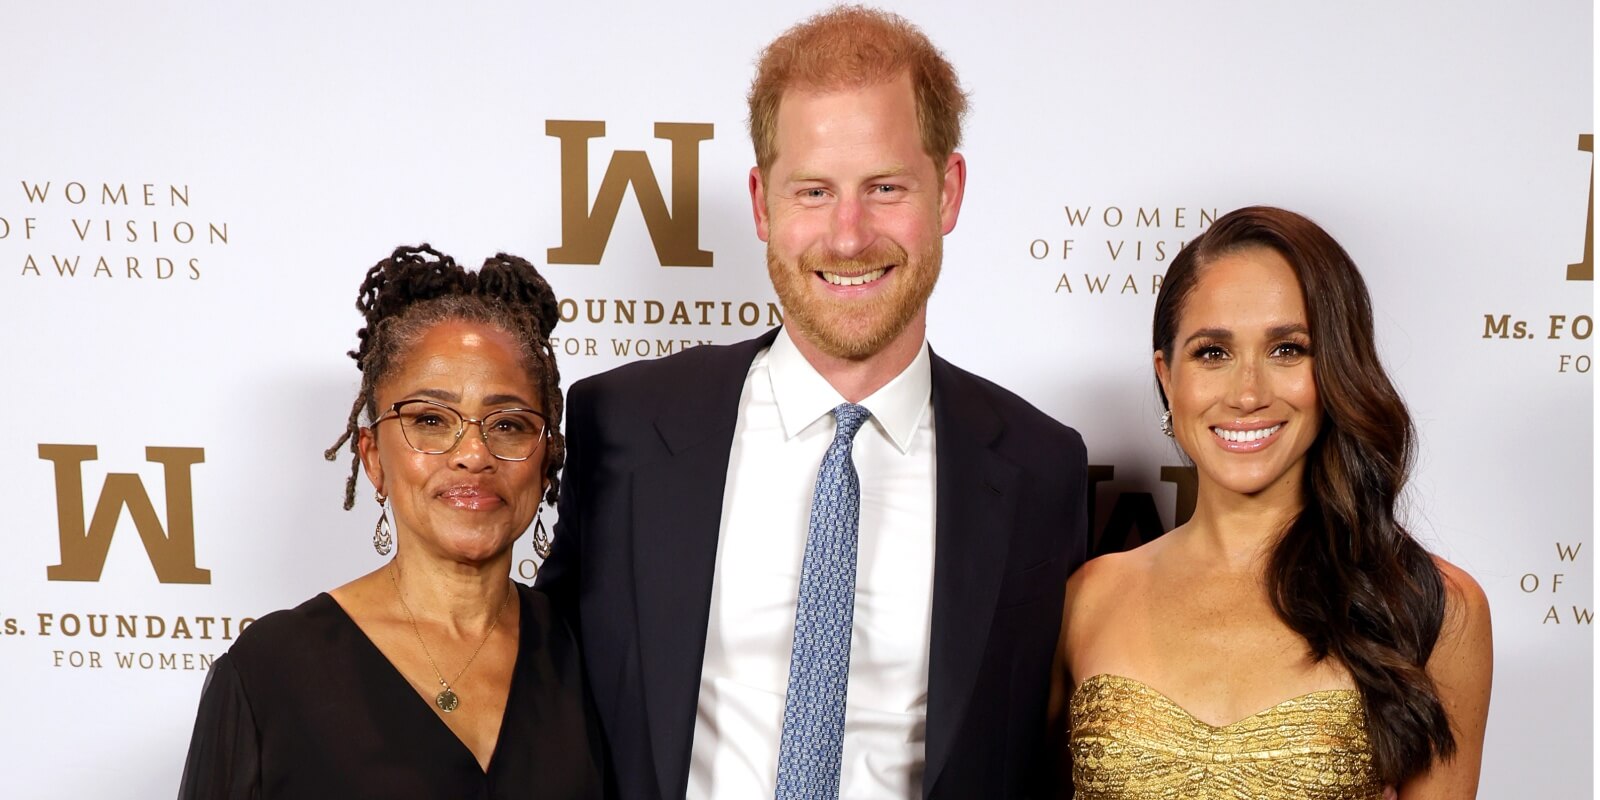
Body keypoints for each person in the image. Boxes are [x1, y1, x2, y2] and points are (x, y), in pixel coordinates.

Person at [536, 6, 1088, 799]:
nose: (850, 234)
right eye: (814, 191)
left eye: (886, 187)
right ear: (762, 204)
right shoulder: (622, 426)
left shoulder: (1041, 468)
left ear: (949, 192)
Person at [1054, 206, 1493, 799]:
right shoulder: (1086, 597)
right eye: (1213, 352)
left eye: (1288, 349)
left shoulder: (1431, 606)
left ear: (1336, 367)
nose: (1248, 393)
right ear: (1167, 376)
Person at [179, 246, 603, 799]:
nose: (473, 453)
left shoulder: (596, 659)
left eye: (508, 425)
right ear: (374, 456)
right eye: (431, 419)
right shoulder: (270, 675)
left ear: (547, 460)